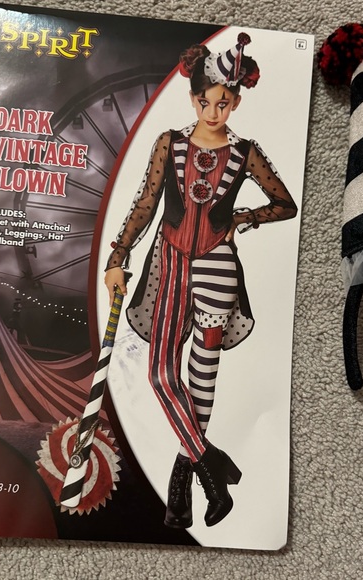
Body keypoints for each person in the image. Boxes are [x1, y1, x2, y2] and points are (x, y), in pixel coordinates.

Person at [104, 33, 297, 528]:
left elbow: (285, 204)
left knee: (201, 377)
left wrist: (245, 218)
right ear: (193, 100)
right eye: (205, 102)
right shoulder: (168, 143)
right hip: (169, 263)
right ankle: (212, 469)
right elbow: (145, 205)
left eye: (223, 103)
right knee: (160, 374)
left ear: (235, 102)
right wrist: (118, 256)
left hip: (218, 269)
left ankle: (180, 485)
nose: (214, 111)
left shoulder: (246, 152)